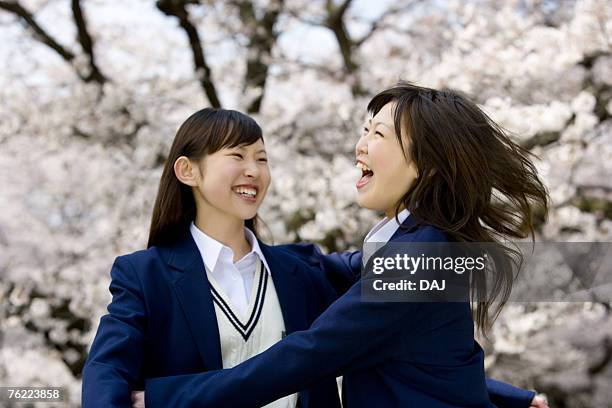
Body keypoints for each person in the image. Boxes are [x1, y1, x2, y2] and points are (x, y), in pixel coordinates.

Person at [138, 82, 550, 408]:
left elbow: (313, 352)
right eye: (364, 131)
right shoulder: (410, 241)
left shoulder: (419, 257)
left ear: (428, 165)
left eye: (378, 134)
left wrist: (163, 398)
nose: (360, 147)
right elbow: (432, 357)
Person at [81, 108, 342, 408]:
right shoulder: (146, 275)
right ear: (187, 171)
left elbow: (382, 274)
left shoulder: (301, 271)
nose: (254, 171)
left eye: (262, 158)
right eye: (237, 156)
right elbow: (106, 371)